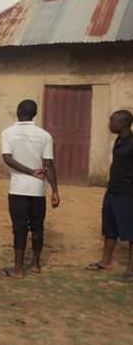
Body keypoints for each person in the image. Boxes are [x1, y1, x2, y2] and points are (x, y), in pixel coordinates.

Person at [0, 99, 60, 279]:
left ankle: (18, 269)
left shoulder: (8, 133)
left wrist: (29, 171)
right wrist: (55, 190)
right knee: (37, 227)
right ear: (35, 114)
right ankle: (35, 265)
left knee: (19, 227)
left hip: (18, 187)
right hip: (38, 189)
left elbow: (7, 159)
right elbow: (49, 163)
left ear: (18, 111)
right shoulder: (44, 135)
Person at [87, 110, 133, 281]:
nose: (109, 124)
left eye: (112, 121)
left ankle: (131, 269)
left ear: (123, 124)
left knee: (130, 232)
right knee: (109, 228)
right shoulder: (119, 141)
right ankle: (105, 261)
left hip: (127, 194)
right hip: (113, 191)